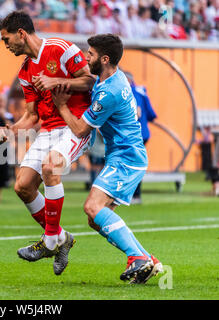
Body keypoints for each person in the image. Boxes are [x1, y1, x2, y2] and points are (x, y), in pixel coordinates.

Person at [51, 34, 162, 284]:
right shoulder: (112, 77)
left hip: (126, 157)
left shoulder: (110, 91)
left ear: (104, 58)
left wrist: (61, 106)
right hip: (124, 155)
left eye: (89, 54)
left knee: (92, 207)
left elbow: (80, 129)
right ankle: (146, 260)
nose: (85, 57)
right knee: (95, 220)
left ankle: (136, 256)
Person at [0, 10, 96, 276]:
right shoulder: (26, 71)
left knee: (51, 167)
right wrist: (11, 130)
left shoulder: (60, 49)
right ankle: (62, 239)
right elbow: (31, 115)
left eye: (6, 40)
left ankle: (50, 240)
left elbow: (89, 79)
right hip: (50, 130)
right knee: (23, 186)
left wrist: (57, 80)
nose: (6, 45)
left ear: (21, 34)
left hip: (76, 126)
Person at [125, 71, 157, 204]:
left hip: (132, 134)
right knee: (136, 163)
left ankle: (133, 194)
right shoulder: (142, 92)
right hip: (143, 133)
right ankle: (135, 194)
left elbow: (135, 113)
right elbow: (151, 115)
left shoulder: (127, 92)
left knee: (129, 164)